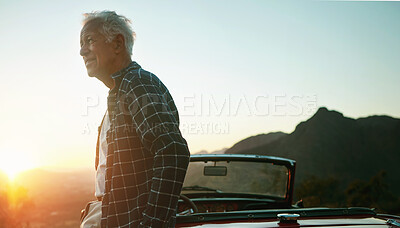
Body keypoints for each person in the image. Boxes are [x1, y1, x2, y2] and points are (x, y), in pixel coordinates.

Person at [79, 11, 190, 228]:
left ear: (117, 43)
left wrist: (152, 223)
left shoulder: (138, 84)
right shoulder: (121, 91)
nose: (82, 51)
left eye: (89, 41)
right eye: (81, 43)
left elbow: (173, 151)